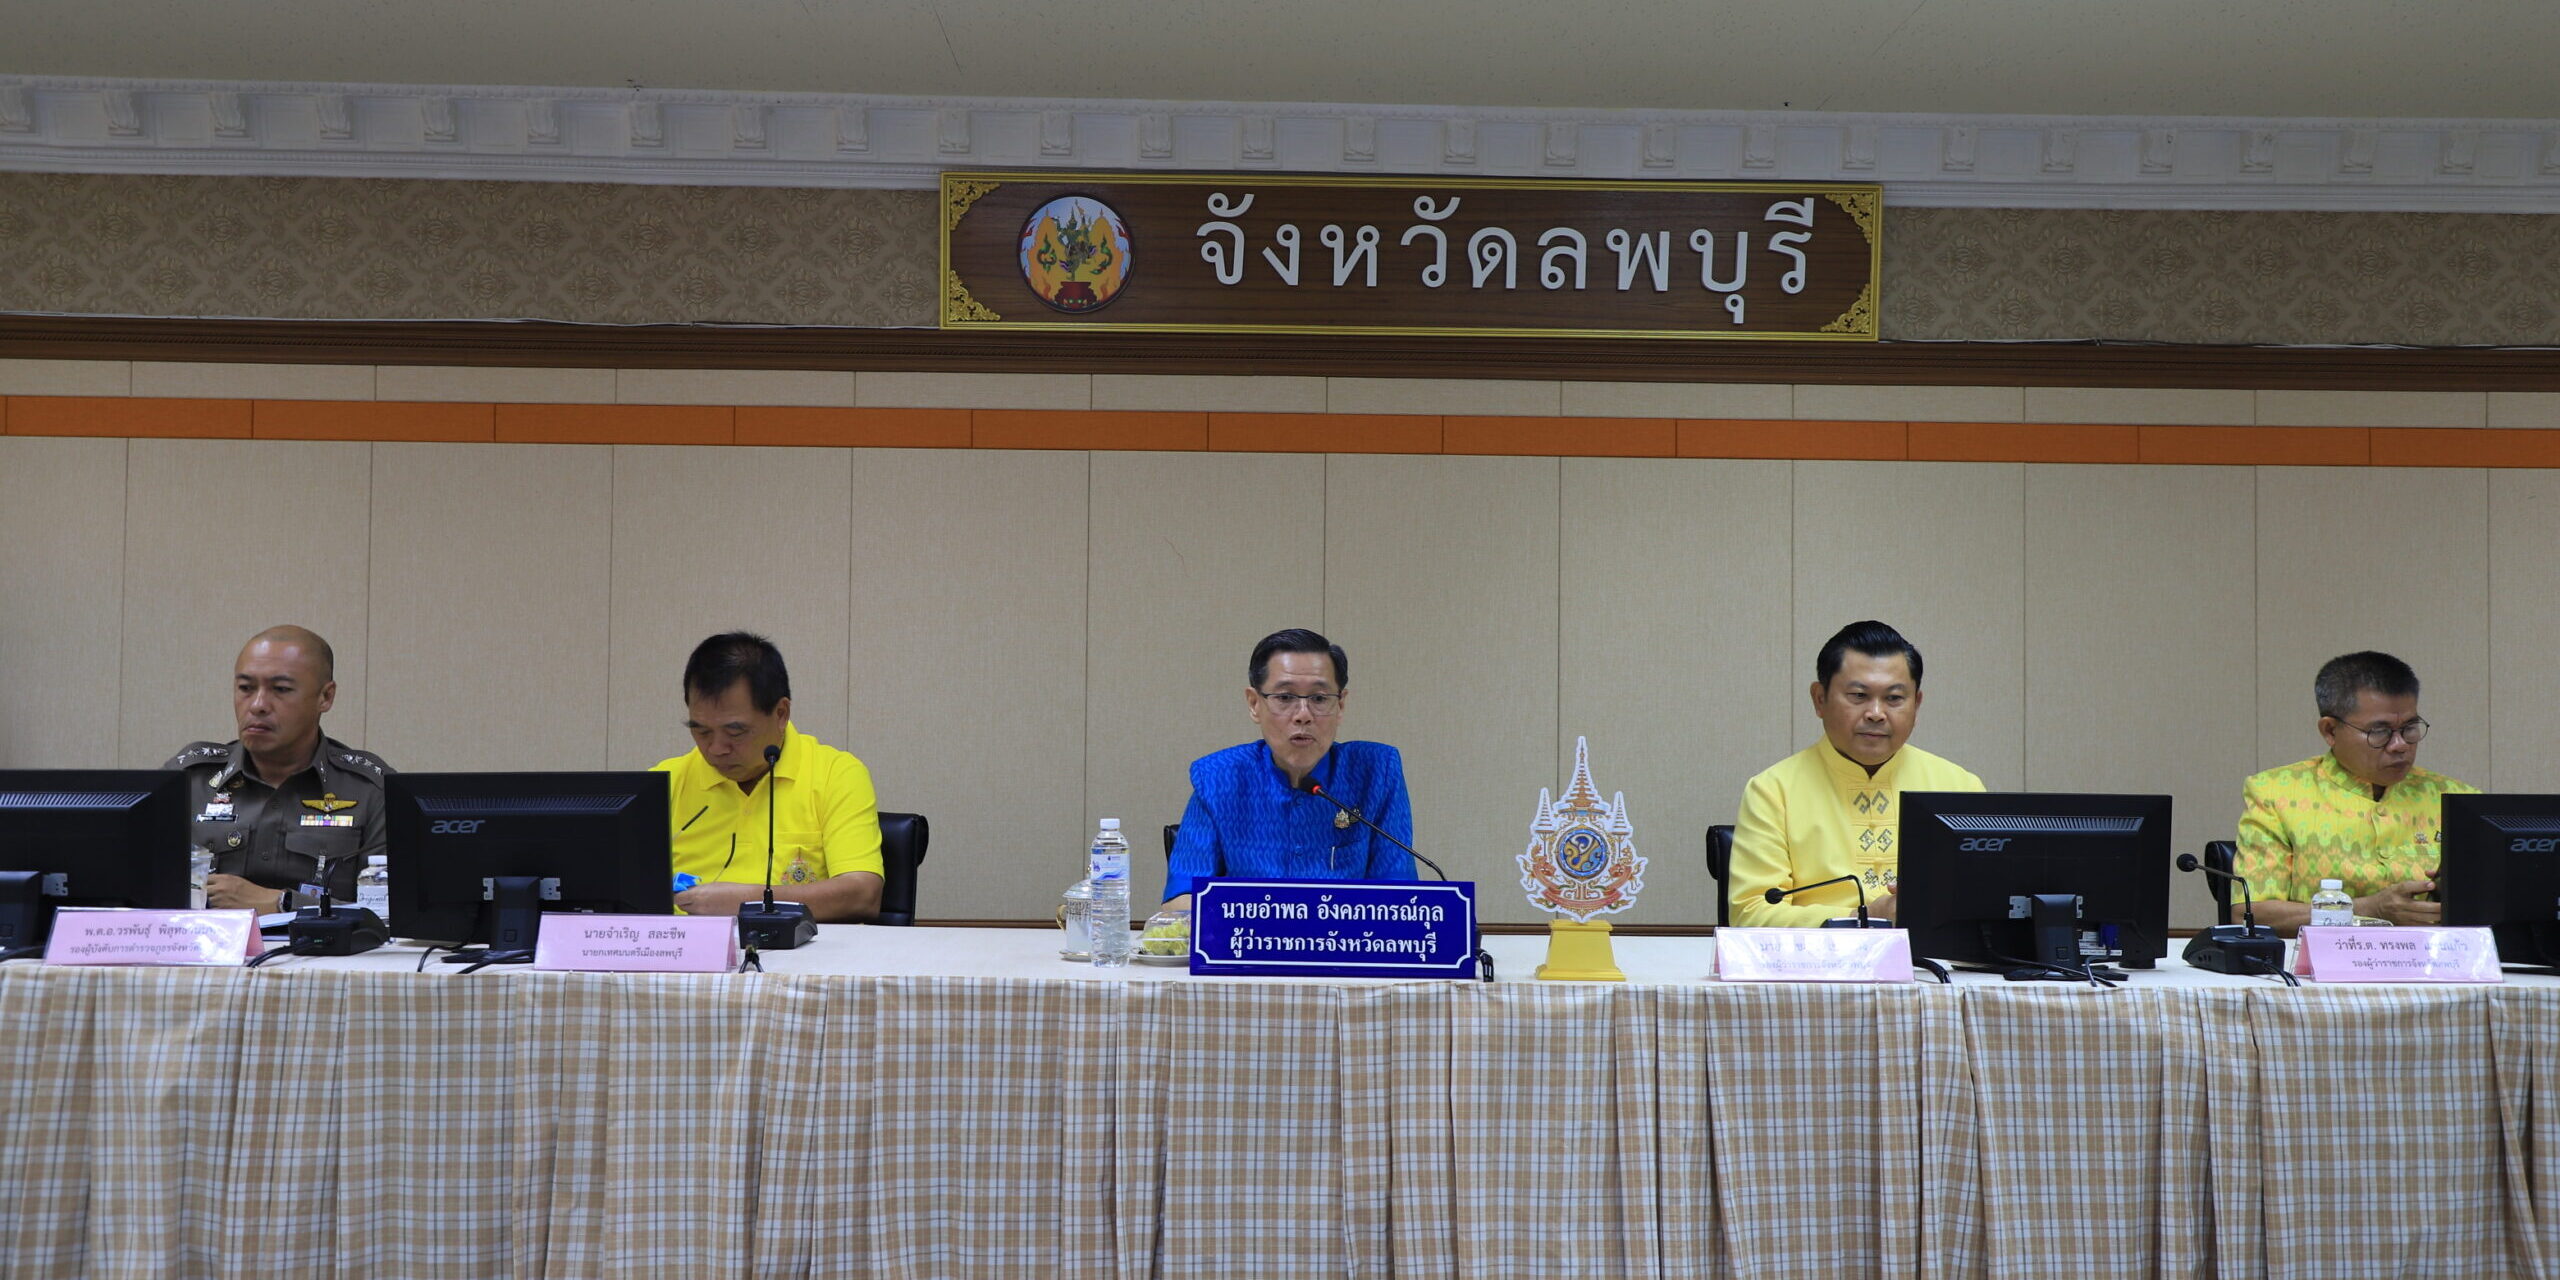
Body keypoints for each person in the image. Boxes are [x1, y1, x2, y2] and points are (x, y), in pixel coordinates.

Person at [1728, 620, 1984, 926]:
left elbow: (1986, 904)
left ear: (1916, 704)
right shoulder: (1773, 791)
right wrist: (1863, 918)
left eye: (1894, 698)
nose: (1876, 713)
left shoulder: (1960, 786)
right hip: (1819, 956)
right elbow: (1751, 914)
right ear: (1820, 699)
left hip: (1930, 954)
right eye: (1859, 696)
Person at [1162, 628, 1414, 906]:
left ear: (1340, 705)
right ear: (1254, 704)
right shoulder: (1218, 778)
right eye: (1285, 697)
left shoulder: (1376, 772)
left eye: (1319, 698)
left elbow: (1401, 898)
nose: (1303, 715)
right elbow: (1179, 901)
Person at [2234, 650, 2475, 934]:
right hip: (2321, 960)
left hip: (2435, 957)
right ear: (2330, 731)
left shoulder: (2459, 800)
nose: (2400, 745)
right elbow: (2248, 914)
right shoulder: (2277, 794)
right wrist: (2368, 909)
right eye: (2380, 732)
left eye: (2410, 728)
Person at [653, 632, 882, 922]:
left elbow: (863, 893)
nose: (716, 748)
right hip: (685, 947)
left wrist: (749, 902)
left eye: (735, 731)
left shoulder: (835, 774)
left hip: (795, 948)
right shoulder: (666, 782)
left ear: (781, 713)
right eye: (702, 731)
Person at [166, 626, 392, 910]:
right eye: (246, 688)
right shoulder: (190, 780)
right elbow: (140, 894)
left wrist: (284, 903)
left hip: (318, 941)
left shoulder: (370, 790)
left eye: (281, 690)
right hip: (208, 938)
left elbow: (388, 916)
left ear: (325, 697)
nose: (258, 705)